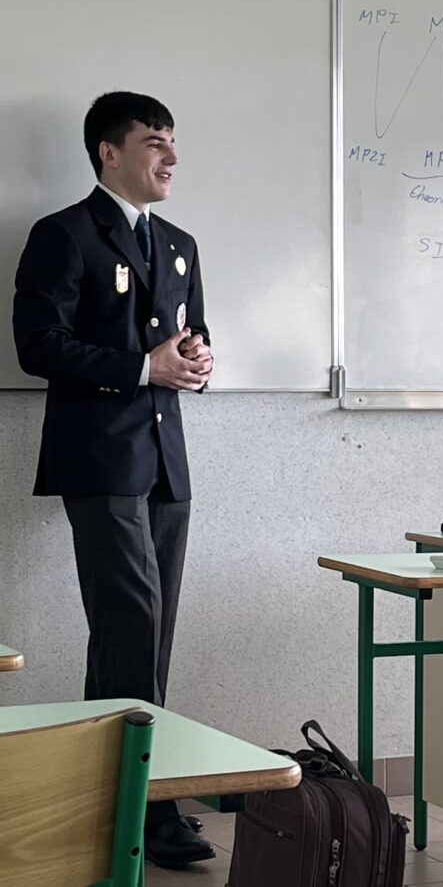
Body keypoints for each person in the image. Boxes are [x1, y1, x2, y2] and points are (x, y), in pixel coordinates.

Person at [13, 91, 215, 869]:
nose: (170, 158)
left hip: (166, 463)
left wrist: (196, 361)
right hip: (99, 460)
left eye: (173, 143)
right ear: (109, 152)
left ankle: (119, 801)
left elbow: (191, 335)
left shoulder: (179, 242)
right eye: (155, 143)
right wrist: (142, 367)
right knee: (130, 625)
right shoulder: (62, 234)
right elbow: (39, 344)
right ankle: (150, 808)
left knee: (148, 633)